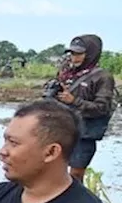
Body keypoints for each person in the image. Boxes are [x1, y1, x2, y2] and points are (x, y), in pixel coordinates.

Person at [49, 35, 115, 182]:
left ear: (90, 54)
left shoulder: (102, 77)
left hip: (85, 133)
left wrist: (74, 101)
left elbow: (102, 108)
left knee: (76, 176)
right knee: (54, 170)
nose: (74, 57)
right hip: (64, 129)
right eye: (72, 53)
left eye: (79, 53)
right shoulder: (67, 74)